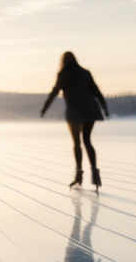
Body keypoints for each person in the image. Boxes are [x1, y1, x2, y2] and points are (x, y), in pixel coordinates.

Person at [39, 50, 108, 188]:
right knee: (87, 141)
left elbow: (54, 92)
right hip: (90, 110)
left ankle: (78, 176)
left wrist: (44, 108)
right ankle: (95, 175)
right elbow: (96, 91)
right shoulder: (85, 72)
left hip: (75, 112)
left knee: (77, 143)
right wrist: (104, 107)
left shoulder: (63, 74)